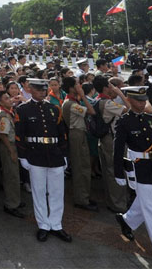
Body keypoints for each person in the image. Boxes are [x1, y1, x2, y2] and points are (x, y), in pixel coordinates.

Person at [14, 78, 71, 243]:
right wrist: (23, 156)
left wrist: (64, 154)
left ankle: (56, 224)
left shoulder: (54, 109)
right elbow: (19, 136)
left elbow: (63, 134)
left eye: (44, 90)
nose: (42, 92)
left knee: (57, 192)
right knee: (39, 192)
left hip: (54, 154)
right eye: (38, 90)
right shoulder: (23, 110)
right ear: (30, 90)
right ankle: (43, 225)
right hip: (35, 154)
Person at [113, 86, 152, 260]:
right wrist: (118, 173)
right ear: (130, 100)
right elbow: (118, 149)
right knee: (150, 209)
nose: (143, 104)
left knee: (148, 203)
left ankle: (126, 221)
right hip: (139, 167)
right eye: (139, 100)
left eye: (144, 100)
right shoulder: (124, 121)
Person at [61, 77, 97, 211]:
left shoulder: (73, 102)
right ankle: (81, 199)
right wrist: (83, 96)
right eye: (77, 85)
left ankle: (85, 196)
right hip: (76, 134)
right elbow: (92, 111)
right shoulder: (71, 104)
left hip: (80, 133)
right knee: (80, 167)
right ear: (71, 88)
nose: (80, 86)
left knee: (84, 165)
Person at [93, 76, 128, 212]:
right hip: (110, 139)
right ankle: (119, 204)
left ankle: (112, 202)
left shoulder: (98, 100)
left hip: (104, 139)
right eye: (110, 86)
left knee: (108, 171)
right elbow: (130, 109)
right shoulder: (107, 103)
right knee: (116, 171)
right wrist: (120, 93)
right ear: (106, 88)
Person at [0, 91, 25, 218]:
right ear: (1, 102)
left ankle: (16, 200)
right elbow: (3, 135)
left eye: (9, 97)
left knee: (14, 174)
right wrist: (11, 151)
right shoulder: (3, 116)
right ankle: (11, 204)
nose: (10, 100)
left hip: (13, 144)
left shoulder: (10, 112)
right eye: (6, 98)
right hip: (8, 146)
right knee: (11, 175)